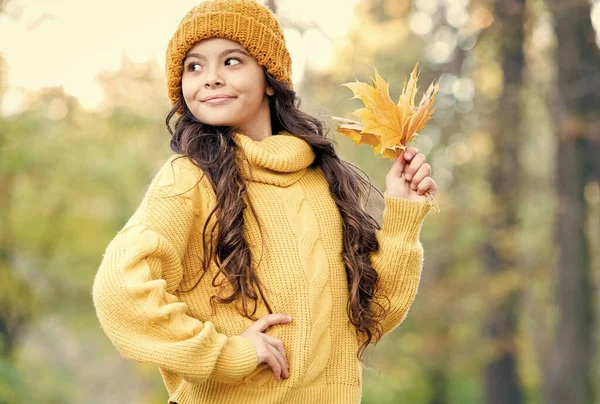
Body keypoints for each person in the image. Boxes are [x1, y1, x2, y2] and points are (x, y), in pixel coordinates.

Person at [91, 0, 437, 403]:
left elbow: (371, 317)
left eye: (232, 61)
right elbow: (119, 291)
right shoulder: (188, 179)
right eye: (194, 66)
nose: (211, 79)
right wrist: (226, 353)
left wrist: (403, 216)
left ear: (270, 78)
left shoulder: (320, 179)